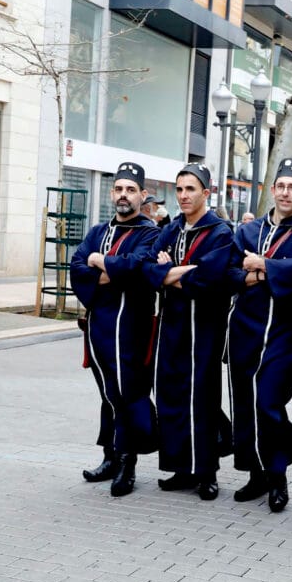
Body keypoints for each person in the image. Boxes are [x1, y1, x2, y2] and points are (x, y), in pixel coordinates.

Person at [226, 159, 292, 512]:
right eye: (280, 186)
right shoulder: (247, 232)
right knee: (244, 404)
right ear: (273, 189)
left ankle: (278, 475)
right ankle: (256, 474)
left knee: (268, 401)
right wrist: (253, 275)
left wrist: (263, 264)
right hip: (244, 329)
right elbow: (227, 273)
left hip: (284, 332)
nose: (285, 193)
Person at [143, 164, 236, 500]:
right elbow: (149, 270)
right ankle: (181, 467)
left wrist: (172, 272)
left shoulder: (220, 232)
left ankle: (206, 471)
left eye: (190, 189)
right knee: (171, 393)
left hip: (205, 328)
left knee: (202, 396)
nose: (183, 195)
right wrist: (169, 272)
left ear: (206, 193)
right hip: (172, 326)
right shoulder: (170, 230)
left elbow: (209, 278)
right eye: (179, 189)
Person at [70, 162, 161, 495]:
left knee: (127, 394)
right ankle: (110, 455)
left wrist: (102, 262)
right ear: (112, 193)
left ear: (142, 195)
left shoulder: (151, 232)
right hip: (98, 327)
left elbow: (137, 267)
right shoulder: (98, 231)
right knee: (107, 394)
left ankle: (127, 463)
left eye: (131, 190)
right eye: (119, 189)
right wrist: (105, 271)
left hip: (132, 328)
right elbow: (77, 265)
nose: (124, 195)